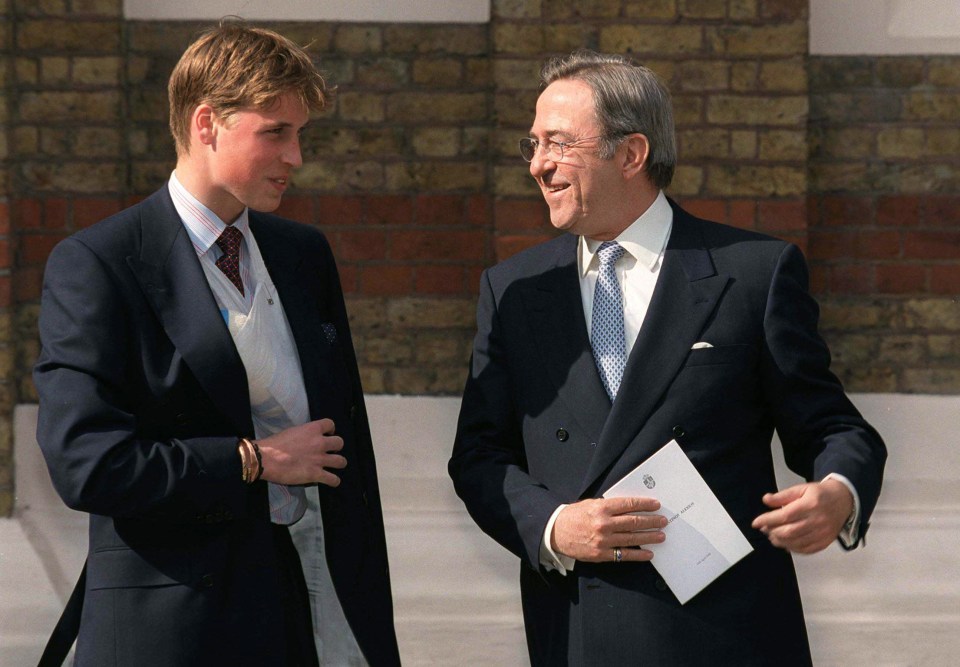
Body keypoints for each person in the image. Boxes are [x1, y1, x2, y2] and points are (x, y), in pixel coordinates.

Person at [449, 50, 886, 666]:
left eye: (559, 144)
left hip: (726, 634)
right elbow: (477, 455)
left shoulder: (753, 273)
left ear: (631, 154)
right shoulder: (514, 290)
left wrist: (838, 491)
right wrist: (551, 527)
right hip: (578, 631)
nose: (540, 166)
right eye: (533, 145)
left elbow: (834, 427)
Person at [33, 22, 400, 667]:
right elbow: (84, 463)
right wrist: (252, 460)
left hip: (307, 617)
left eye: (300, 135)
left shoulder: (303, 255)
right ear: (207, 124)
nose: (296, 158)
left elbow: (351, 456)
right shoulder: (98, 263)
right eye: (275, 132)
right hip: (171, 629)